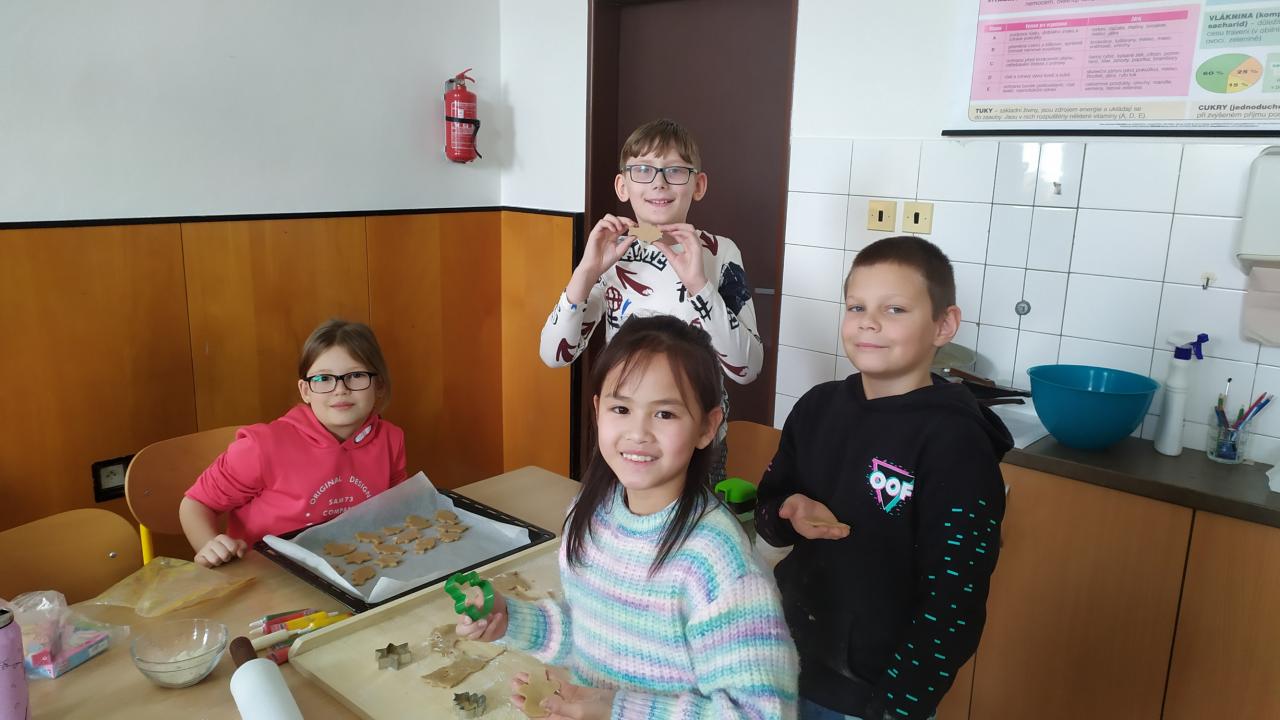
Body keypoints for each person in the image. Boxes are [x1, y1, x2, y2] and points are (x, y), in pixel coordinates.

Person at [464, 315, 796, 719]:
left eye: (665, 414)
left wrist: (616, 709)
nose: (638, 433)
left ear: (708, 427)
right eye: (621, 408)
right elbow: (596, 634)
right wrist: (510, 621)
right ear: (597, 410)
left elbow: (762, 712)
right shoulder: (590, 513)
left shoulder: (718, 562)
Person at [756, 236, 1011, 720]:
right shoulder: (816, 408)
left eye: (894, 309)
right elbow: (768, 513)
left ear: (943, 325)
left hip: (872, 699)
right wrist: (788, 513)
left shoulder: (955, 443)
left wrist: (896, 708)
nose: (868, 322)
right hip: (779, 665)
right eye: (857, 307)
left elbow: (954, 604)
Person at [539, 118, 764, 480]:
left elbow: (747, 369)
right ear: (622, 185)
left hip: (695, 439)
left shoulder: (720, 252)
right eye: (642, 169)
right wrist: (586, 271)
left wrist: (699, 284)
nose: (659, 182)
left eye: (675, 170)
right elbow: (554, 355)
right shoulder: (611, 252)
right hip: (624, 429)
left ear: (698, 185)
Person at [180, 319, 406, 567]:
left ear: (379, 385)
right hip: (267, 575)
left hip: (356, 567)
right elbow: (196, 503)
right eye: (323, 378)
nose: (340, 389)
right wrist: (209, 545)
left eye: (356, 376)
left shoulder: (391, 439)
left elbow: (395, 509)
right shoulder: (262, 447)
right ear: (305, 390)